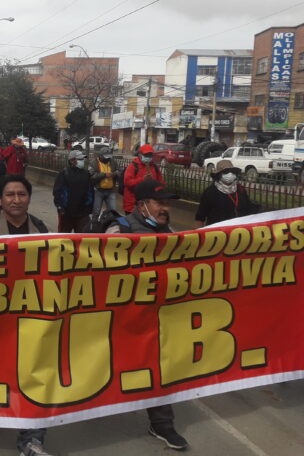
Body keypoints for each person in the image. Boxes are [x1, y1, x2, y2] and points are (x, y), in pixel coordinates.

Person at [104, 179, 189, 451]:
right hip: (121, 318)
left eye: (167, 203)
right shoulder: (119, 230)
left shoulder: (170, 233)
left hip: (156, 318)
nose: (165, 208)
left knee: (158, 368)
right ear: (142, 206)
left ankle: (162, 423)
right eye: (159, 203)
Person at [0, 175, 52, 456]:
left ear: (29, 198)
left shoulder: (42, 229)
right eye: (10, 195)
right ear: (1, 198)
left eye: (21, 194)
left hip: (30, 313)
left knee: (33, 372)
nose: (16, 200)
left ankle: (31, 439)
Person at [195, 159, 259, 227]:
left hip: (238, 230)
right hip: (217, 231)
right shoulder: (210, 192)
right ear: (219, 175)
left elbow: (248, 209)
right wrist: (199, 231)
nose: (230, 174)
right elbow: (200, 216)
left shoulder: (240, 189)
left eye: (232, 171)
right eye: (226, 172)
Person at [53, 149, 92, 233]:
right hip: (66, 213)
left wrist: (89, 207)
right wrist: (60, 207)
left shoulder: (86, 174)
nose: (82, 161)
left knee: (84, 237)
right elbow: (57, 192)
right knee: (64, 237)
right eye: (80, 159)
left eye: (82, 159)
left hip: (82, 213)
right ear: (72, 161)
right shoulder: (64, 173)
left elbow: (90, 191)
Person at [121, 143, 164, 215]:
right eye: (146, 155)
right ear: (140, 155)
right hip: (132, 205)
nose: (148, 157)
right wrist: (142, 180)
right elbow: (127, 182)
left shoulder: (154, 167)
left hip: (149, 205)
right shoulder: (133, 166)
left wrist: (156, 189)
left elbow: (161, 183)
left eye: (150, 155)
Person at [89, 146, 119, 223]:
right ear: (100, 155)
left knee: (112, 211)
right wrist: (104, 175)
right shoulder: (94, 163)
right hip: (98, 190)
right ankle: (94, 226)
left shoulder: (113, 162)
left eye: (108, 157)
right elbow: (92, 176)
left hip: (111, 190)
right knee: (96, 212)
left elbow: (119, 171)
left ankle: (109, 225)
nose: (107, 159)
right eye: (105, 157)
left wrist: (115, 174)